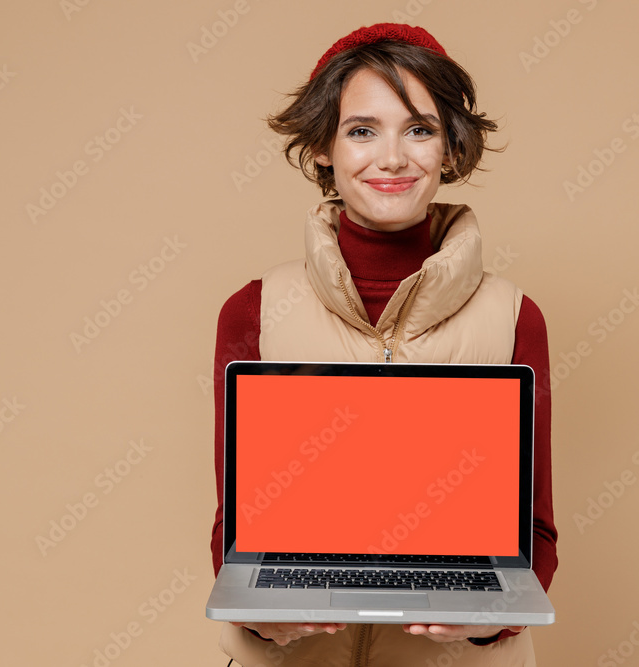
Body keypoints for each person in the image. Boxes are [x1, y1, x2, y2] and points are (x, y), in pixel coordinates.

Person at [211, 23, 557, 666]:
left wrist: (486, 623)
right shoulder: (253, 311)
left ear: (452, 149)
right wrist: (263, 621)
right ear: (323, 148)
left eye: (420, 129)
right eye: (362, 130)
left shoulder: (514, 317)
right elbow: (235, 524)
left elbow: (534, 529)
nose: (392, 158)